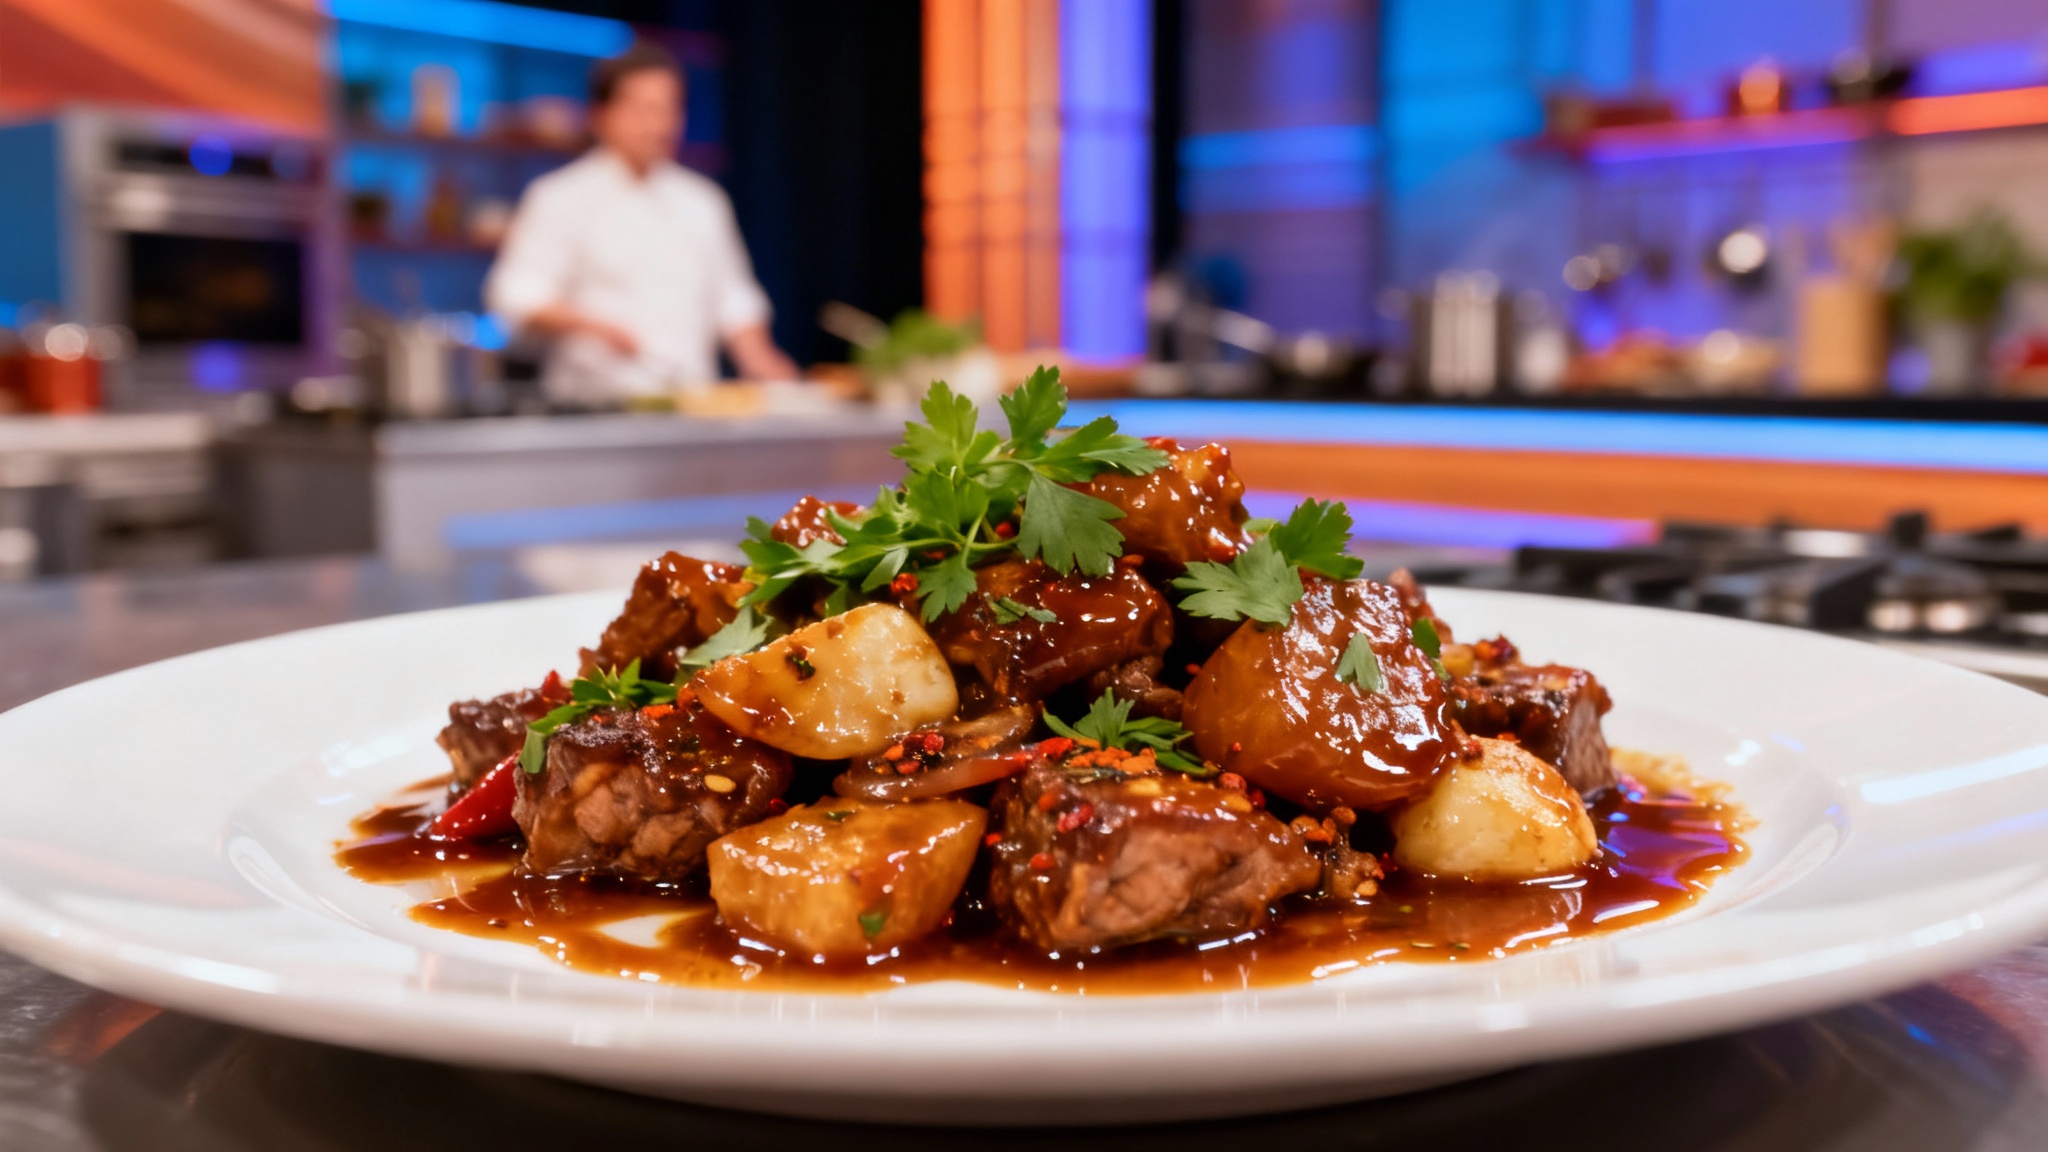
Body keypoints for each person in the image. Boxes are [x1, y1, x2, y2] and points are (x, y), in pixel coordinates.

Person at [486, 42, 797, 405]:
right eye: (643, 109)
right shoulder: (558, 196)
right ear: (601, 115)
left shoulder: (703, 201)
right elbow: (516, 295)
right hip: (596, 407)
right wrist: (593, 326)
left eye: (670, 109)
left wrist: (764, 364)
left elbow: (734, 299)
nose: (659, 125)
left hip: (693, 402)